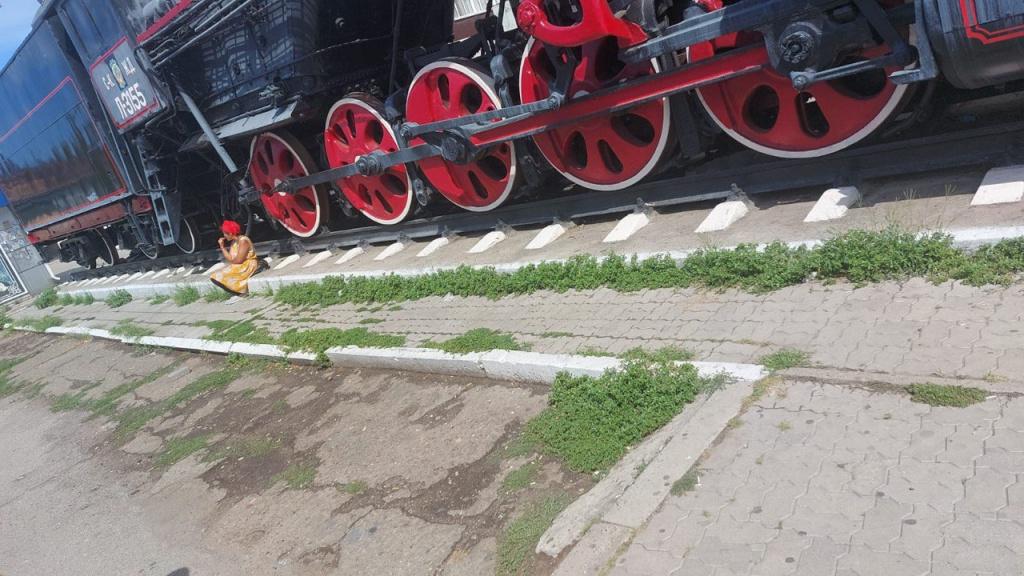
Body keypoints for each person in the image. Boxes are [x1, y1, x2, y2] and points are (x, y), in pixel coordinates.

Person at [210, 220, 265, 295]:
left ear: (231, 233)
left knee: (222, 276)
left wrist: (233, 261)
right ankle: (237, 292)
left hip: (247, 264)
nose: (224, 236)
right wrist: (222, 247)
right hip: (239, 265)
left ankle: (240, 292)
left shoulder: (243, 241)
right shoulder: (234, 243)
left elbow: (239, 260)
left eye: (225, 233)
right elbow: (230, 258)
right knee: (216, 276)